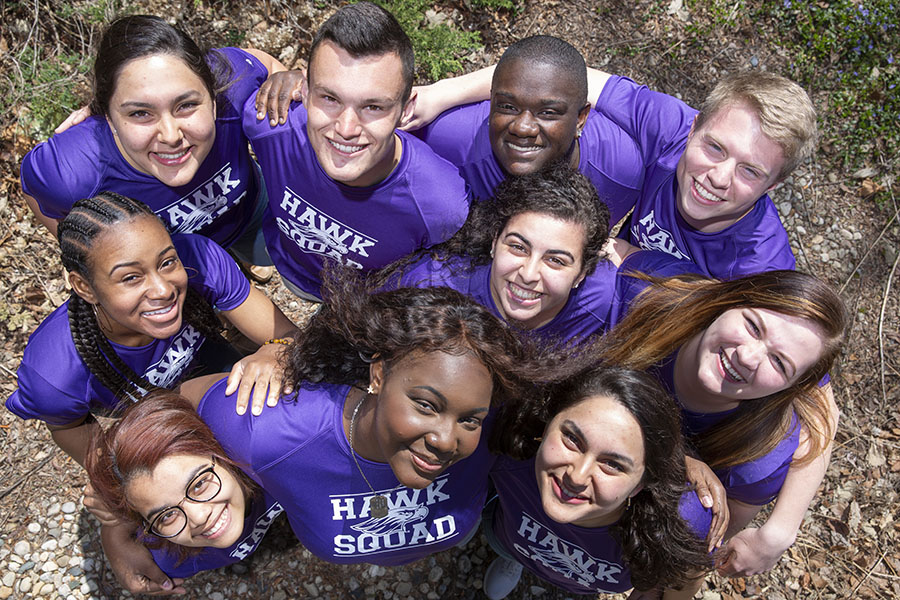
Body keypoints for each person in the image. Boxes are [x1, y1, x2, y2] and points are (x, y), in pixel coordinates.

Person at [177, 268, 585, 566]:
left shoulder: (504, 422)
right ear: (378, 373)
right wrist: (120, 519)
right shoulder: (269, 428)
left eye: (470, 420)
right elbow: (181, 401)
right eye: (426, 405)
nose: (446, 440)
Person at [408, 61, 815, 280]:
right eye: (714, 148)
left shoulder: (761, 260)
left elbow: (802, 368)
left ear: (772, 185)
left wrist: (644, 262)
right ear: (693, 128)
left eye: (749, 171)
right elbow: (574, 77)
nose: (719, 176)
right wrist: (441, 94)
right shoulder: (670, 129)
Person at [5, 193, 299, 469]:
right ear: (84, 287)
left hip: (210, 362)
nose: (162, 289)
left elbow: (288, 337)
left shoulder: (200, 261)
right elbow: (67, 426)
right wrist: (116, 476)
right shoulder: (54, 375)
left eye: (167, 261)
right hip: (149, 418)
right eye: (131, 277)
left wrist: (274, 350)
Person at [598, 269, 847, 585]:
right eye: (753, 326)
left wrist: (666, 583)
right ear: (729, 300)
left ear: (793, 388)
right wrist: (679, 455)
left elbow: (701, 548)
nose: (747, 356)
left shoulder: (760, 459)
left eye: (780, 363)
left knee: (694, 514)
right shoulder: (643, 297)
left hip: (623, 524)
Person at [21, 15, 286, 278]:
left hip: (250, 214)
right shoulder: (74, 168)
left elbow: (268, 67)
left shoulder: (231, 86)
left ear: (213, 99)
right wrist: (87, 258)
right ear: (109, 118)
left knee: (270, 253)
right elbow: (34, 189)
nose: (170, 136)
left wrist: (289, 80)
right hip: (173, 263)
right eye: (140, 113)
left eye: (186, 105)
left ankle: (244, 257)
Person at [241, 2, 470, 299]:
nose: (346, 128)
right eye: (330, 98)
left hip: (358, 302)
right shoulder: (270, 126)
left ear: (406, 109)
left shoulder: (440, 204)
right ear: (305, 91)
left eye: (373, 107)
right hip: (285, 262)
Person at [389, 163, 699, 342]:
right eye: (518, 247)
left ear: (581, 274)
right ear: (495, 241)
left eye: (555, 260)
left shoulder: (601, 303)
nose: (528, 273)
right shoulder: (429, 288)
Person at [483, 367, 712, 599]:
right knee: (509, 548)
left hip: (582, 585)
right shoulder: (509, 451)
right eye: (572, 439)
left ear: (640, 485)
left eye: (613, 464)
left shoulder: (678, 528)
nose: (577, 476)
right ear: (549, 420)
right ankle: (513, 560)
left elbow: (685, 577)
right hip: (509, 542)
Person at [405, 35, 644, 225]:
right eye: (508, 107)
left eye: (548, 113)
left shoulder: (620, 172)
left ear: (581, 119)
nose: (523, 127)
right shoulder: (447, 136)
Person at [85, 392, 284, 594]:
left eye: (198, 485)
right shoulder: (170, 562)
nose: (198, 517)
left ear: (218, 450)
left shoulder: (276, 455)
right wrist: (114, 535)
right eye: (167, 515)